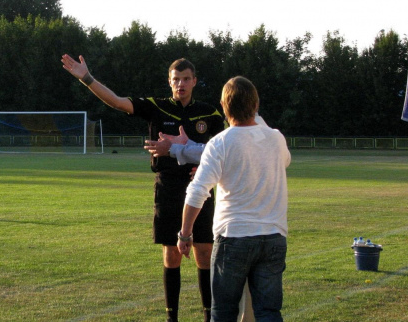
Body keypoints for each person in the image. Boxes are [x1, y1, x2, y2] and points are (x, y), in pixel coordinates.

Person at [61, 54, 224, 322]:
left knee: (204, 251)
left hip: (201, 188)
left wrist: (205, 166)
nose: (180, 84)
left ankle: (209, 316)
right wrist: (87, 78)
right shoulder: (156, 107)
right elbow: (117, 101)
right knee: (171, 252)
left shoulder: (209, 113)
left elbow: (222, 149)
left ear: (194, 81)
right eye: (175, 80)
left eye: (185, 79)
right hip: (168, 188)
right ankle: (173, 317)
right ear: (169, 82)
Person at [177, 76, 291, 321]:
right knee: (269, 312)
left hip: (234, 237)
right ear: (256, 105)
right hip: (273, 235)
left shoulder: (220, 143)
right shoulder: (275, 138)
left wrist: (185, 234)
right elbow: (285, 160)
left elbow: (197, 191)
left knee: (224, 312)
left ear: (223, 106)